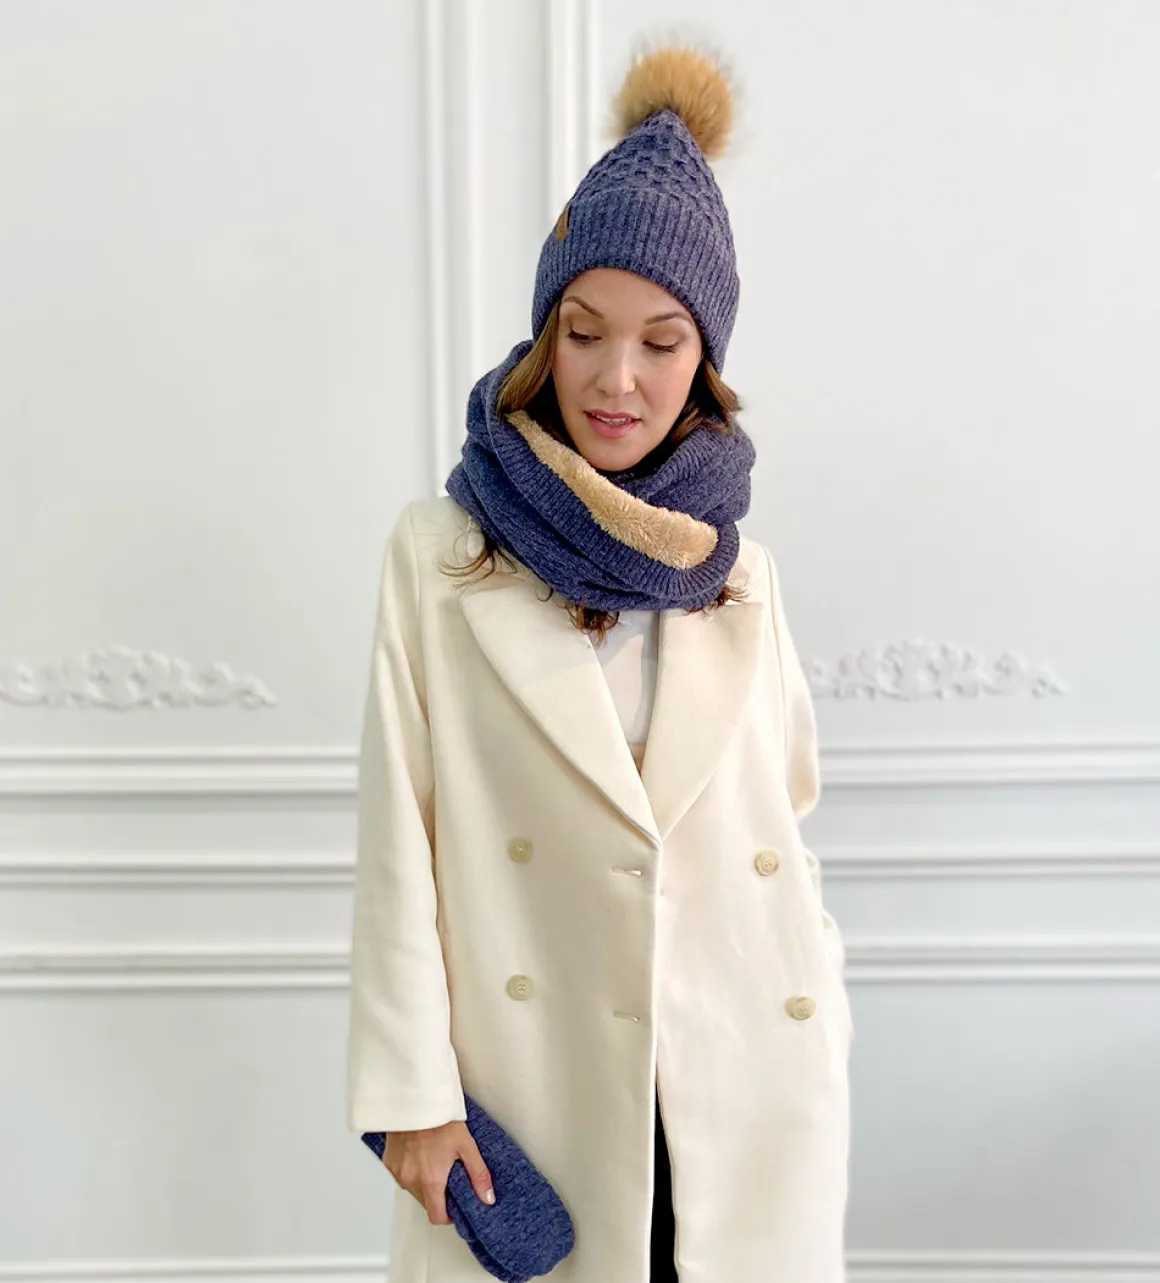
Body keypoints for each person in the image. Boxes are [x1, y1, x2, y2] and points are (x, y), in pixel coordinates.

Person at [346, 43, 853, 1283]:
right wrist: (409, 1089)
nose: (615, 378)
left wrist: (822, 1004)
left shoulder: (739, 570)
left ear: (702, 364)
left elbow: (782, 816)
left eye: (660, 342)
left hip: (740, 1076)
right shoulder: (441, 553)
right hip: (539, 1080)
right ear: (545, 335)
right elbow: (397, 834)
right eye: (582, 332)